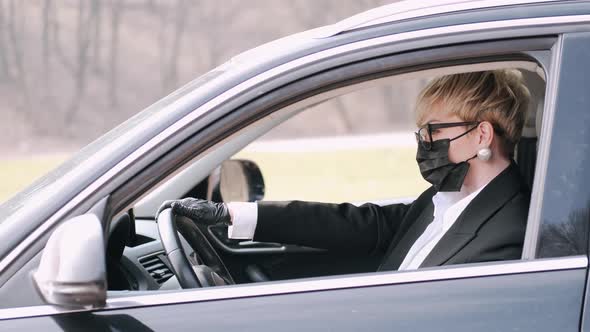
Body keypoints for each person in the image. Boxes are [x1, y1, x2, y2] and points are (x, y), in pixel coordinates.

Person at [159, 69, 532, 271]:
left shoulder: (509, 233)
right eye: (420, 132)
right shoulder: (447, 200)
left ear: (481, 132)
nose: (423, 143)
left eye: (433, 130)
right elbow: (358, 223)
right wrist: (232, 215)